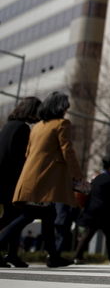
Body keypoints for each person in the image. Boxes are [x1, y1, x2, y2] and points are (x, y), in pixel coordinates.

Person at [1, 92, 85, 268]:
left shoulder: (37, 126)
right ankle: (52, 257)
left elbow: (28, 153)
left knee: (48, 215)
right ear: (61, 108)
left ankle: (53, 256)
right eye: (65, 107)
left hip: (30, 176)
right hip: (45, 179)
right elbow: (67, 150)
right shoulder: (62, 124)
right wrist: (78, 175)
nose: (67, 111)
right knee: (30, 215)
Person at [0, 96, 41, 268]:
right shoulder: (23, 129)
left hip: (2, 176)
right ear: (32, 111)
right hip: (10, 179)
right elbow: (21, 159)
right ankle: (11, 253)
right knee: (15, 216)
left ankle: (13, 254)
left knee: (13, 214)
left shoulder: (8, 126)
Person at [73, 157, 110, 264]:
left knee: (88, 233)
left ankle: (77, 256)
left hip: (92, 210)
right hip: (105, 211)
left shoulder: (96, 178)